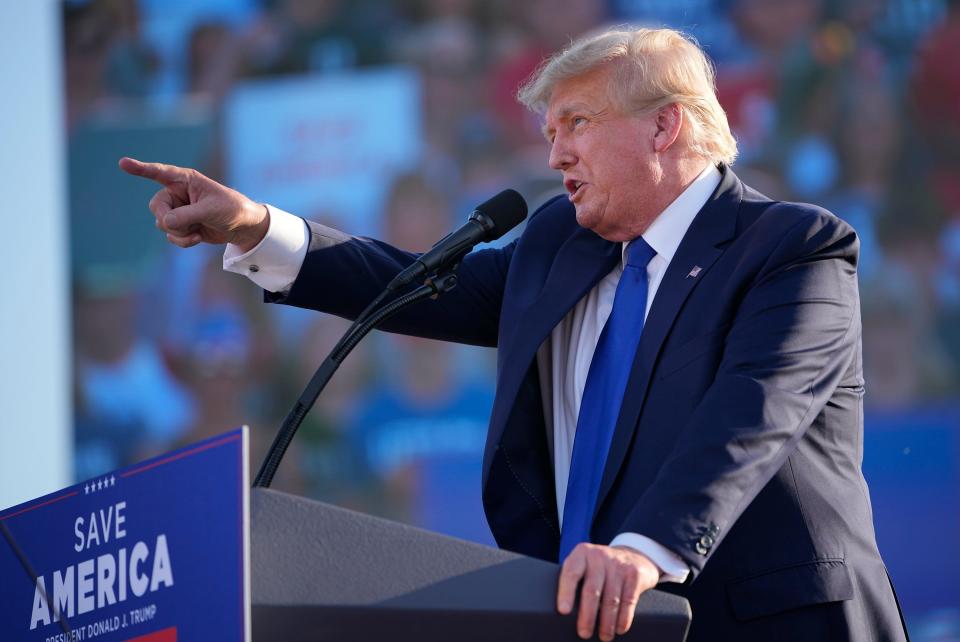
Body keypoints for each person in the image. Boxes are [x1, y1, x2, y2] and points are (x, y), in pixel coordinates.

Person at [120, 27, 907, 642]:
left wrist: (645, 550)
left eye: (577, 122)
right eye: (548, 128)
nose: (555, 150)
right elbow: (414, 285)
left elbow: (751, 414)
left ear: (666, 125)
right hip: (605, 623)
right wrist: (259, 227)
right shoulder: (559, 244)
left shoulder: (792, 248)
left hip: (770, 622)